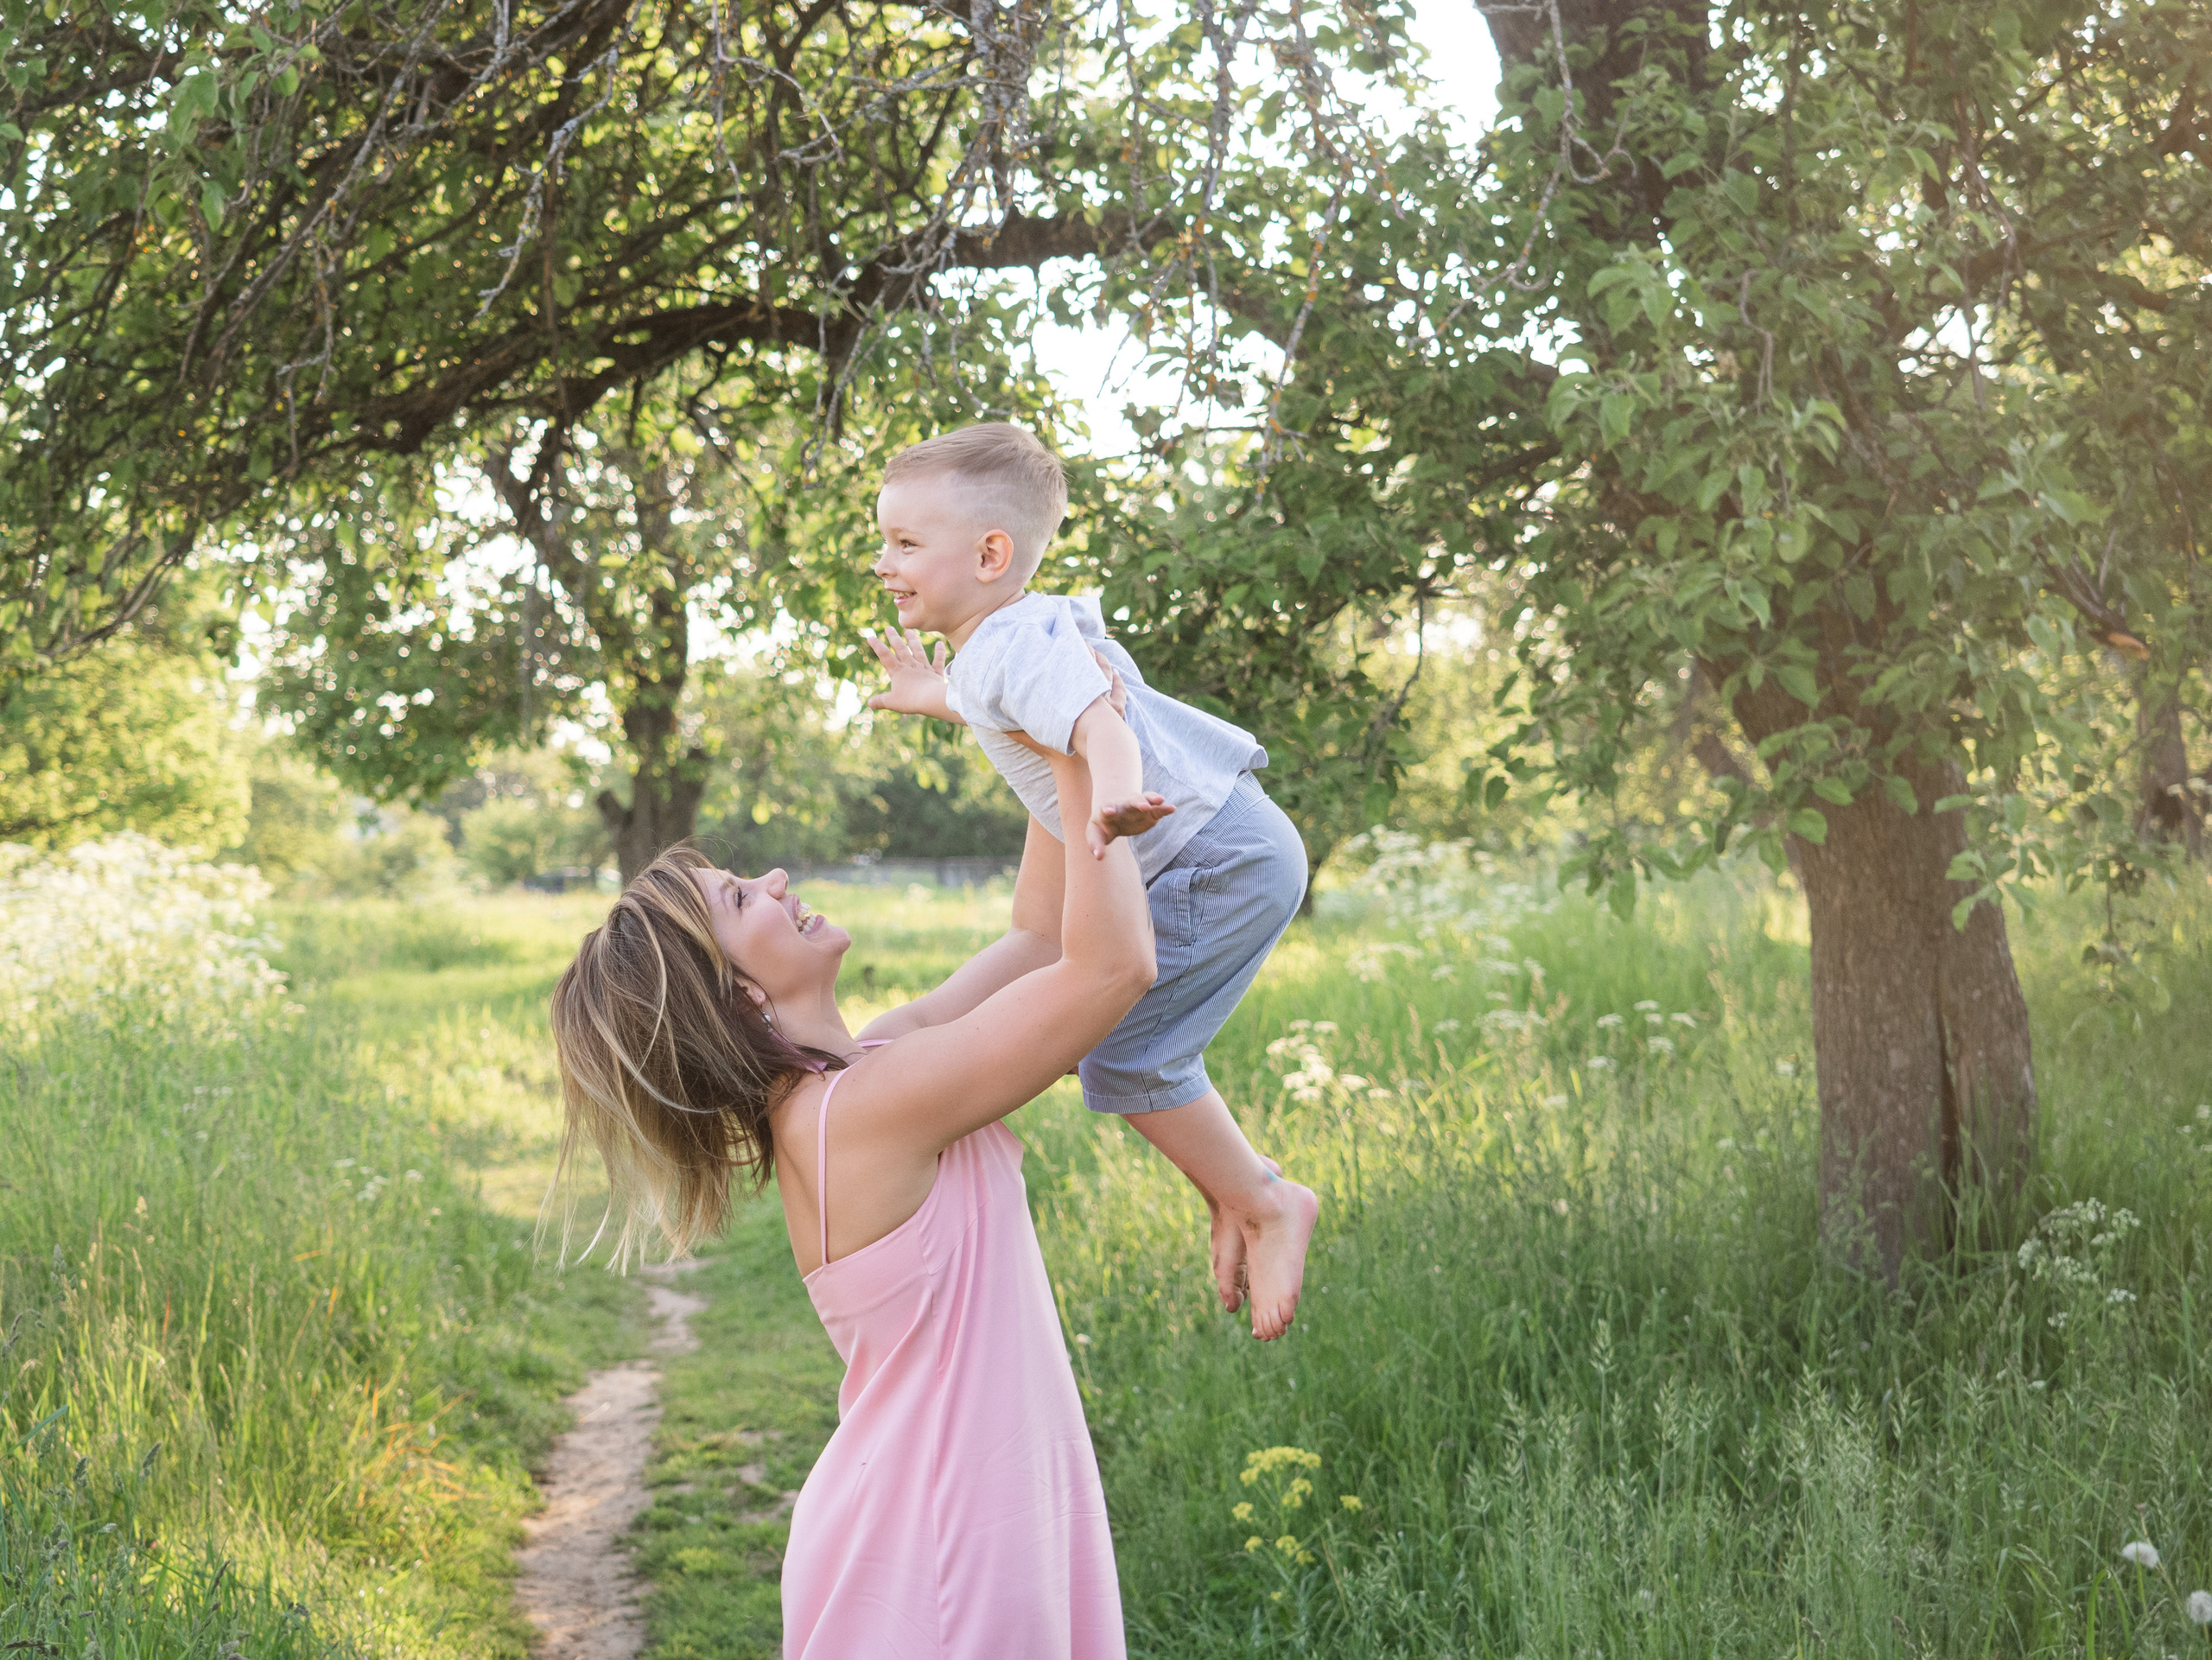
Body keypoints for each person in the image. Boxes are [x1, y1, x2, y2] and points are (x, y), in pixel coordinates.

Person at [549, 742, 1152, 1659]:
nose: (777, 876)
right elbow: (1109, 971)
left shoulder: (868, 1071)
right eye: (742, 897)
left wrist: (1027, 729)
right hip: (946, 1543)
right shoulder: (864, 1112)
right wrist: (1083, 749)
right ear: (739, 993)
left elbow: (1037, 939)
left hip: (948, 1512)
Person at [862, 422, 1319, 1340]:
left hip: (1206, 856)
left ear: (992, 553)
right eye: (885, 540)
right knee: (1096, 1025)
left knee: (1121, 1054)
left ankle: (1266, 1199)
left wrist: (1113, 797)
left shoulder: (1010, 647)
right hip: (1225, 841)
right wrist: (928, 693)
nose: (884, 562)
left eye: (906, 543)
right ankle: (1234, 1189)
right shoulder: (1007, 637)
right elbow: (1001, 698)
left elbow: (1096, 723)